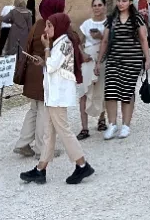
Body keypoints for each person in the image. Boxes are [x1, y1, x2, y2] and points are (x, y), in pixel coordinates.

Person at [20, 12, 95, 185]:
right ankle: (40, 169)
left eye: (49, 26)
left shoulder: (64, 43)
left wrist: (46, 48)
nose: (46, 29)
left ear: (58, 27)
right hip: (52, 95)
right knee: (49, 132)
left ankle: (82, 165)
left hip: (58, 95)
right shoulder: (60, 43)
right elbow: (52, 64)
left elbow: (53, 65)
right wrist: (43, 60)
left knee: (63, 130)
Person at [14, 0, 65, 158]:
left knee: (34, 109)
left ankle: (22, 143)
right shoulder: (54, 26)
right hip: (44, 69)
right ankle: (42, 149)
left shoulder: (37, 24)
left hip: (32, 71)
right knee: (43, 110)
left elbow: (28, 45)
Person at [97, 0, 150, 139]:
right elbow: (105, 40)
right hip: (114, 59)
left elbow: (143, 39)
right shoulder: (111, 19)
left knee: (126, 92)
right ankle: (112, 124)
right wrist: (99, 61)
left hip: (131, 60)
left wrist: (147, 59)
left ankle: (126, 125)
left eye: (124, 1)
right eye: (119, 0)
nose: (121, 3)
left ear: (130, 2)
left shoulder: (137, 18)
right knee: (111, 92)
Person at [77, 0, 108, 139]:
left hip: (102, 59)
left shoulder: (109, 23)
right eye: (94, 5)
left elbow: (111, 42)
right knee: (84, 91)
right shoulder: (86, 24)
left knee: (102, 90)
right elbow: (79, 42)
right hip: (88, 59)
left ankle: (102, 119)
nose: (97, 7)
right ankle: (84, 127)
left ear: (104, 7)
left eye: (99, 5)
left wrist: (102, 37)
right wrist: (82, 54)